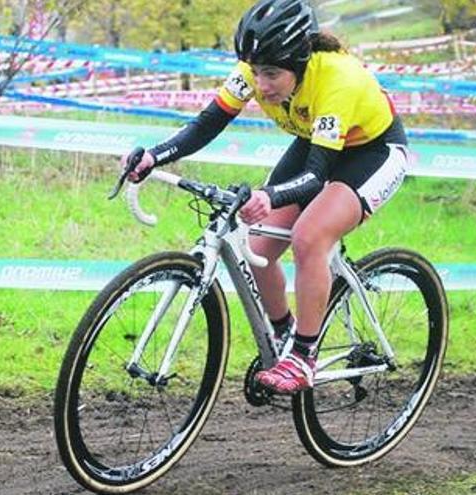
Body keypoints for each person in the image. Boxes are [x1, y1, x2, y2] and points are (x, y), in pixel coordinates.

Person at [122, 0, 409, 394]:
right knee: (255, 247)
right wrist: (156, 155)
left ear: (300, 63)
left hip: (372, 152)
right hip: (316, 142)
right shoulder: (255, 67)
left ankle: (303, 357)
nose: (260, 84)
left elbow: (314, 176)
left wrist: (270, 195)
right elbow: (209, 122)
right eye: (255, 73)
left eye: (271, 74)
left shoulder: (337, 80)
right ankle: (284, 335)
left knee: (310, 235)